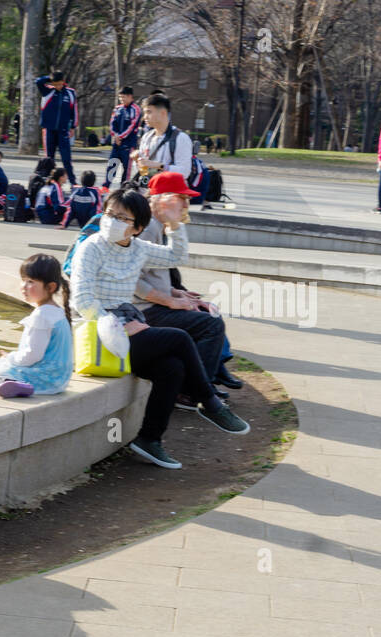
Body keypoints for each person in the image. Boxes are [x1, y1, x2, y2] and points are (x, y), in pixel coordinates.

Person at [70, 188, 249, 469]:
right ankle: (209, 401)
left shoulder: (138, 249)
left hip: (125, 327)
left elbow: (177, 255)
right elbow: (81, 300)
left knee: (172, 368)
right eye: (109, 214)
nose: (111, 221)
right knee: (177, 338)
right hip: (95, 333)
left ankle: (149, 440)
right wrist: (114, 327)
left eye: (122, 218)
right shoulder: (91, 247)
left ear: (138, 228)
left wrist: (174, 224)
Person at [133, 171, 229, 407]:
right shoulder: (147, 228)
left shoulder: (157, 225)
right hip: (143, 310)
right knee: (211, 325)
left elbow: (153, 272)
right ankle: (192, 392)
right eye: (181, 198)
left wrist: (176, 293)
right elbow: (131, 279)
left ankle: (200, 385)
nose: (187, 203)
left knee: (208, 315)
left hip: (152, 305)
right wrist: (168, 301)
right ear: (163, 200)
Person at [0, 254, 74, 398]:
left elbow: (32, 355)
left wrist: (10, 357)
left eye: (31, 282)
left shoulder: (41, 316)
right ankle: (13, 383)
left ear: (51, 287)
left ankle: (10, 383)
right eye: (23, 280)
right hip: (59, 380)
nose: (24, 287)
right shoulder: (57, 312)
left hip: (42, 379)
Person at [134, 93, 192, 181]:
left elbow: (185, 172)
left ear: (163, 113)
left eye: (149, 112)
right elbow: (144, 172)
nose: (144, 117)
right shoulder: (147, 137)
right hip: (148, 191)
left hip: (170, 192)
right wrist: (137, 162)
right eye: (144, 113)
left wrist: (159, 166)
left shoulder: (180, 138)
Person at [35, 70, 78, 185]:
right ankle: (48, 183)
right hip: (49, 130)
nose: (58, 86)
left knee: (66, 159)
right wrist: (50, 78)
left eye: (60, 84)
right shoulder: (47, 91)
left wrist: (73, 127)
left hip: (63, 130)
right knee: (49, 159)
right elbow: (38, 81)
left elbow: (74, 111)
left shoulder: (70, 93)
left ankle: (73, 183)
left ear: (63, 82)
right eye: (55, 84)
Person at [106, 86, 140, 187]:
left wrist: (120, 137)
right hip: (116, 143)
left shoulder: (136, 109)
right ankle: (106, 186)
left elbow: (132, 126)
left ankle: (123, 188)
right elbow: (112, 123)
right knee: (112, 164)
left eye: (124, 97)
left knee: (126, 169)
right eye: (120, 97)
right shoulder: (117, 109)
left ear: (130, 96)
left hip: (128, 144)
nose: (122, 100)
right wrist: (115, 135)